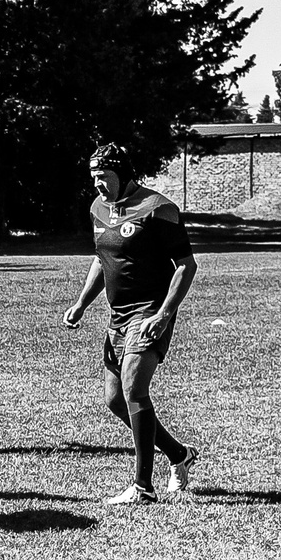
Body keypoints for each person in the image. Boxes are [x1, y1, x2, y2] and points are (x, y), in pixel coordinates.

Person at [63, 145, 200, 504]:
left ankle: (142, 487)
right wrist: (81, 303)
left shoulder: (158, 208)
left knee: (135, 391)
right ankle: (178, 454)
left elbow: (186, 265)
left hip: (149, 312)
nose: (98, 183)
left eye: (104, 176)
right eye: (93, 176)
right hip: (118, 317)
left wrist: (163, 314)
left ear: (124, 174)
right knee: (114, 400)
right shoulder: (98, 208)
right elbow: (102, 258)